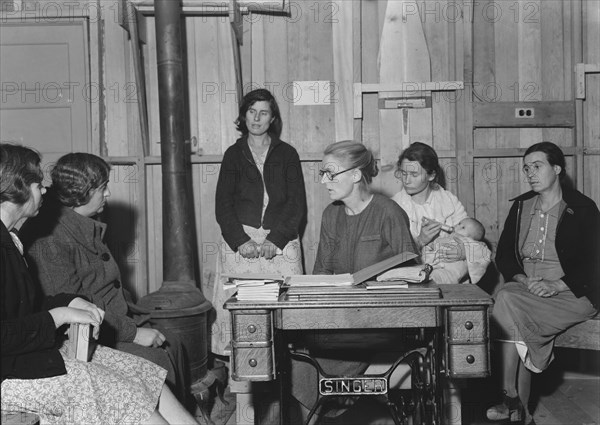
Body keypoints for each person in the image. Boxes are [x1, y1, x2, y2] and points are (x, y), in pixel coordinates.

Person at [0, 144, 198, 425]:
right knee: (121, 393)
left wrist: (67, 302)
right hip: (10, 375)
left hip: (24, 360)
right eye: (37, 184)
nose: (45, 190)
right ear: (16, 189)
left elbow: (23, 308)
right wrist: (57, 317)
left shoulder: (10, 239)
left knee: (144, 374)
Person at [292, 140, 419, 420]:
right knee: (294, 357)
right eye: (322, 173)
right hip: (337, 321)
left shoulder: (388, 212)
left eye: (330, 173)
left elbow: (412, 275)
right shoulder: (330, 215)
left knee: (303, 358)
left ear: (355, 174)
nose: (324, 181)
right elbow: (322, 273)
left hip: (379, 325)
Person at [488, 142, 599, 424]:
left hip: (572, 293)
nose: (530, 173)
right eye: (527, 168)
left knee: (508, 304)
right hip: (526, 288)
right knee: (506, 297)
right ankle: (519, 406)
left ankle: (510, 399)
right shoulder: (521, 206)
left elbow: (595, 262)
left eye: (537, 166)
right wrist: (524, 279)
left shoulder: (582, 208)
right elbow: (504, 256)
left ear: (557, 169)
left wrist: (557, 285)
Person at [212, 88, 306, 355]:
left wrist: (276, 240)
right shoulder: (233, 154)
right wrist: (240, 241)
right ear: (244, 116)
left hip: (281, 235)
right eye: (251, 112)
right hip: (241, 237)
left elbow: (296, 204)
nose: (256, 118)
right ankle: (238, 374)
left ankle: (288, 367)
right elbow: (223, 204)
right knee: (237, 309)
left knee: (287, 303)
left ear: (272, 118)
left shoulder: (287, 154)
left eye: (263, 112)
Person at [392, 142, 490, 283]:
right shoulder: (394, 206)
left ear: (431, 175)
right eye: (403, 173)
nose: (406, 180)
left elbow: (472, 235)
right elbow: (389, 255)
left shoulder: (448, 201)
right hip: (412, 278)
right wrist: (419, 241)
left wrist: (464, 251)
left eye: (414, 174)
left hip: (449, 276)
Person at [422, 217, 491, 284]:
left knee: (437, 277)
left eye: (463, 228)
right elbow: (440, 242)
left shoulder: (470, 243)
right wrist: (433, 245)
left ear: (471, 237)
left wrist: (467, 252)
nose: (458, 226)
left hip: (451, 272)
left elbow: (484, 253)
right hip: (436, 265)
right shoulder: (449, 236)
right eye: (459, 223)